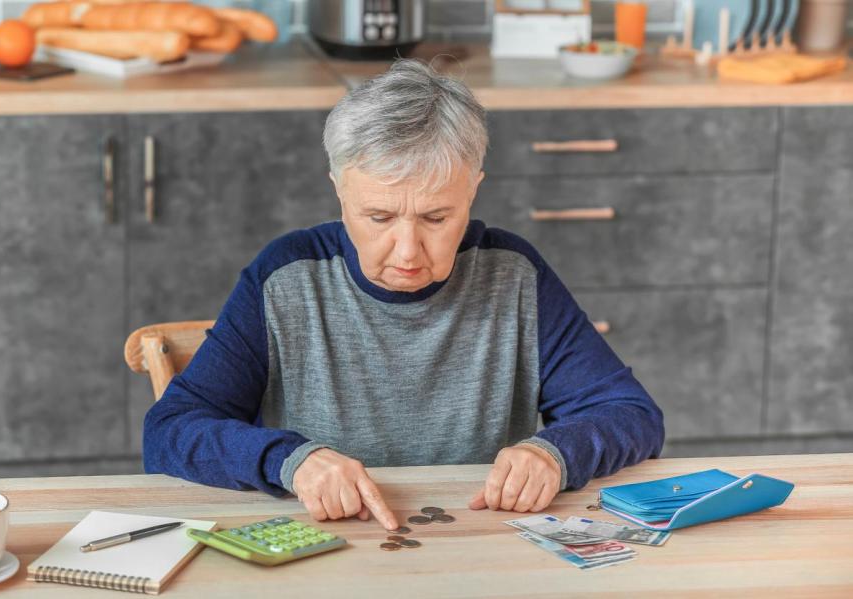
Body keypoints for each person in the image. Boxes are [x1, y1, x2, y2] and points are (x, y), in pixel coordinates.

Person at [143, 59, 665, 532]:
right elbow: (170, 432)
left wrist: (555, 453)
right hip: (322, 552)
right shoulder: (284, 276)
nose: (408, 252)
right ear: (339, 190)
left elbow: (631, 414)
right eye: (379, 217)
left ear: (473, 190)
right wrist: (289, 459)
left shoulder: (515, 274)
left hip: (476, 545)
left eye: (437, 218)